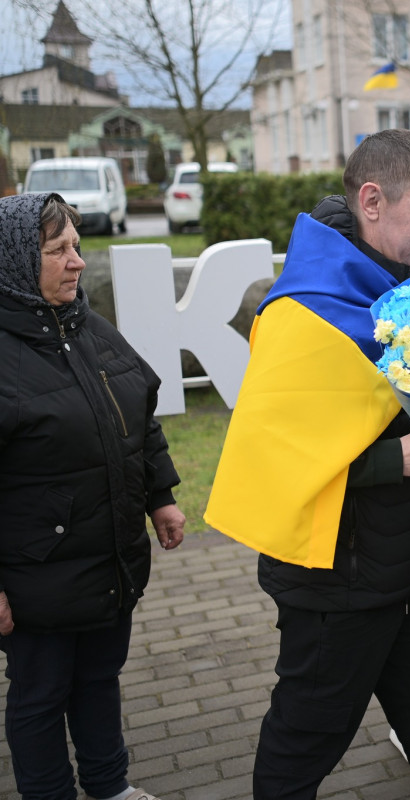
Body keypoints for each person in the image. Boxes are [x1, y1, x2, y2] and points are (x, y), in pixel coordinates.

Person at [204, 129, 410, 800]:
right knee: (305, 743)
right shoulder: (304, 310)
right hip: (336, 579)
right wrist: (399, 459)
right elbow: (278, 458)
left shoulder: (407, 286)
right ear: (371, 200)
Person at [0, 192, 186, 800]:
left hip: (110, 558)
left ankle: (110, 787)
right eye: (58, 251)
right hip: (36, 576)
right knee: (40, 697)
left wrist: (160, 495)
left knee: (99, 679)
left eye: (76, 247)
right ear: (15, 264)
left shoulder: (88, 327)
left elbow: (140, 416)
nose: (77, 263)